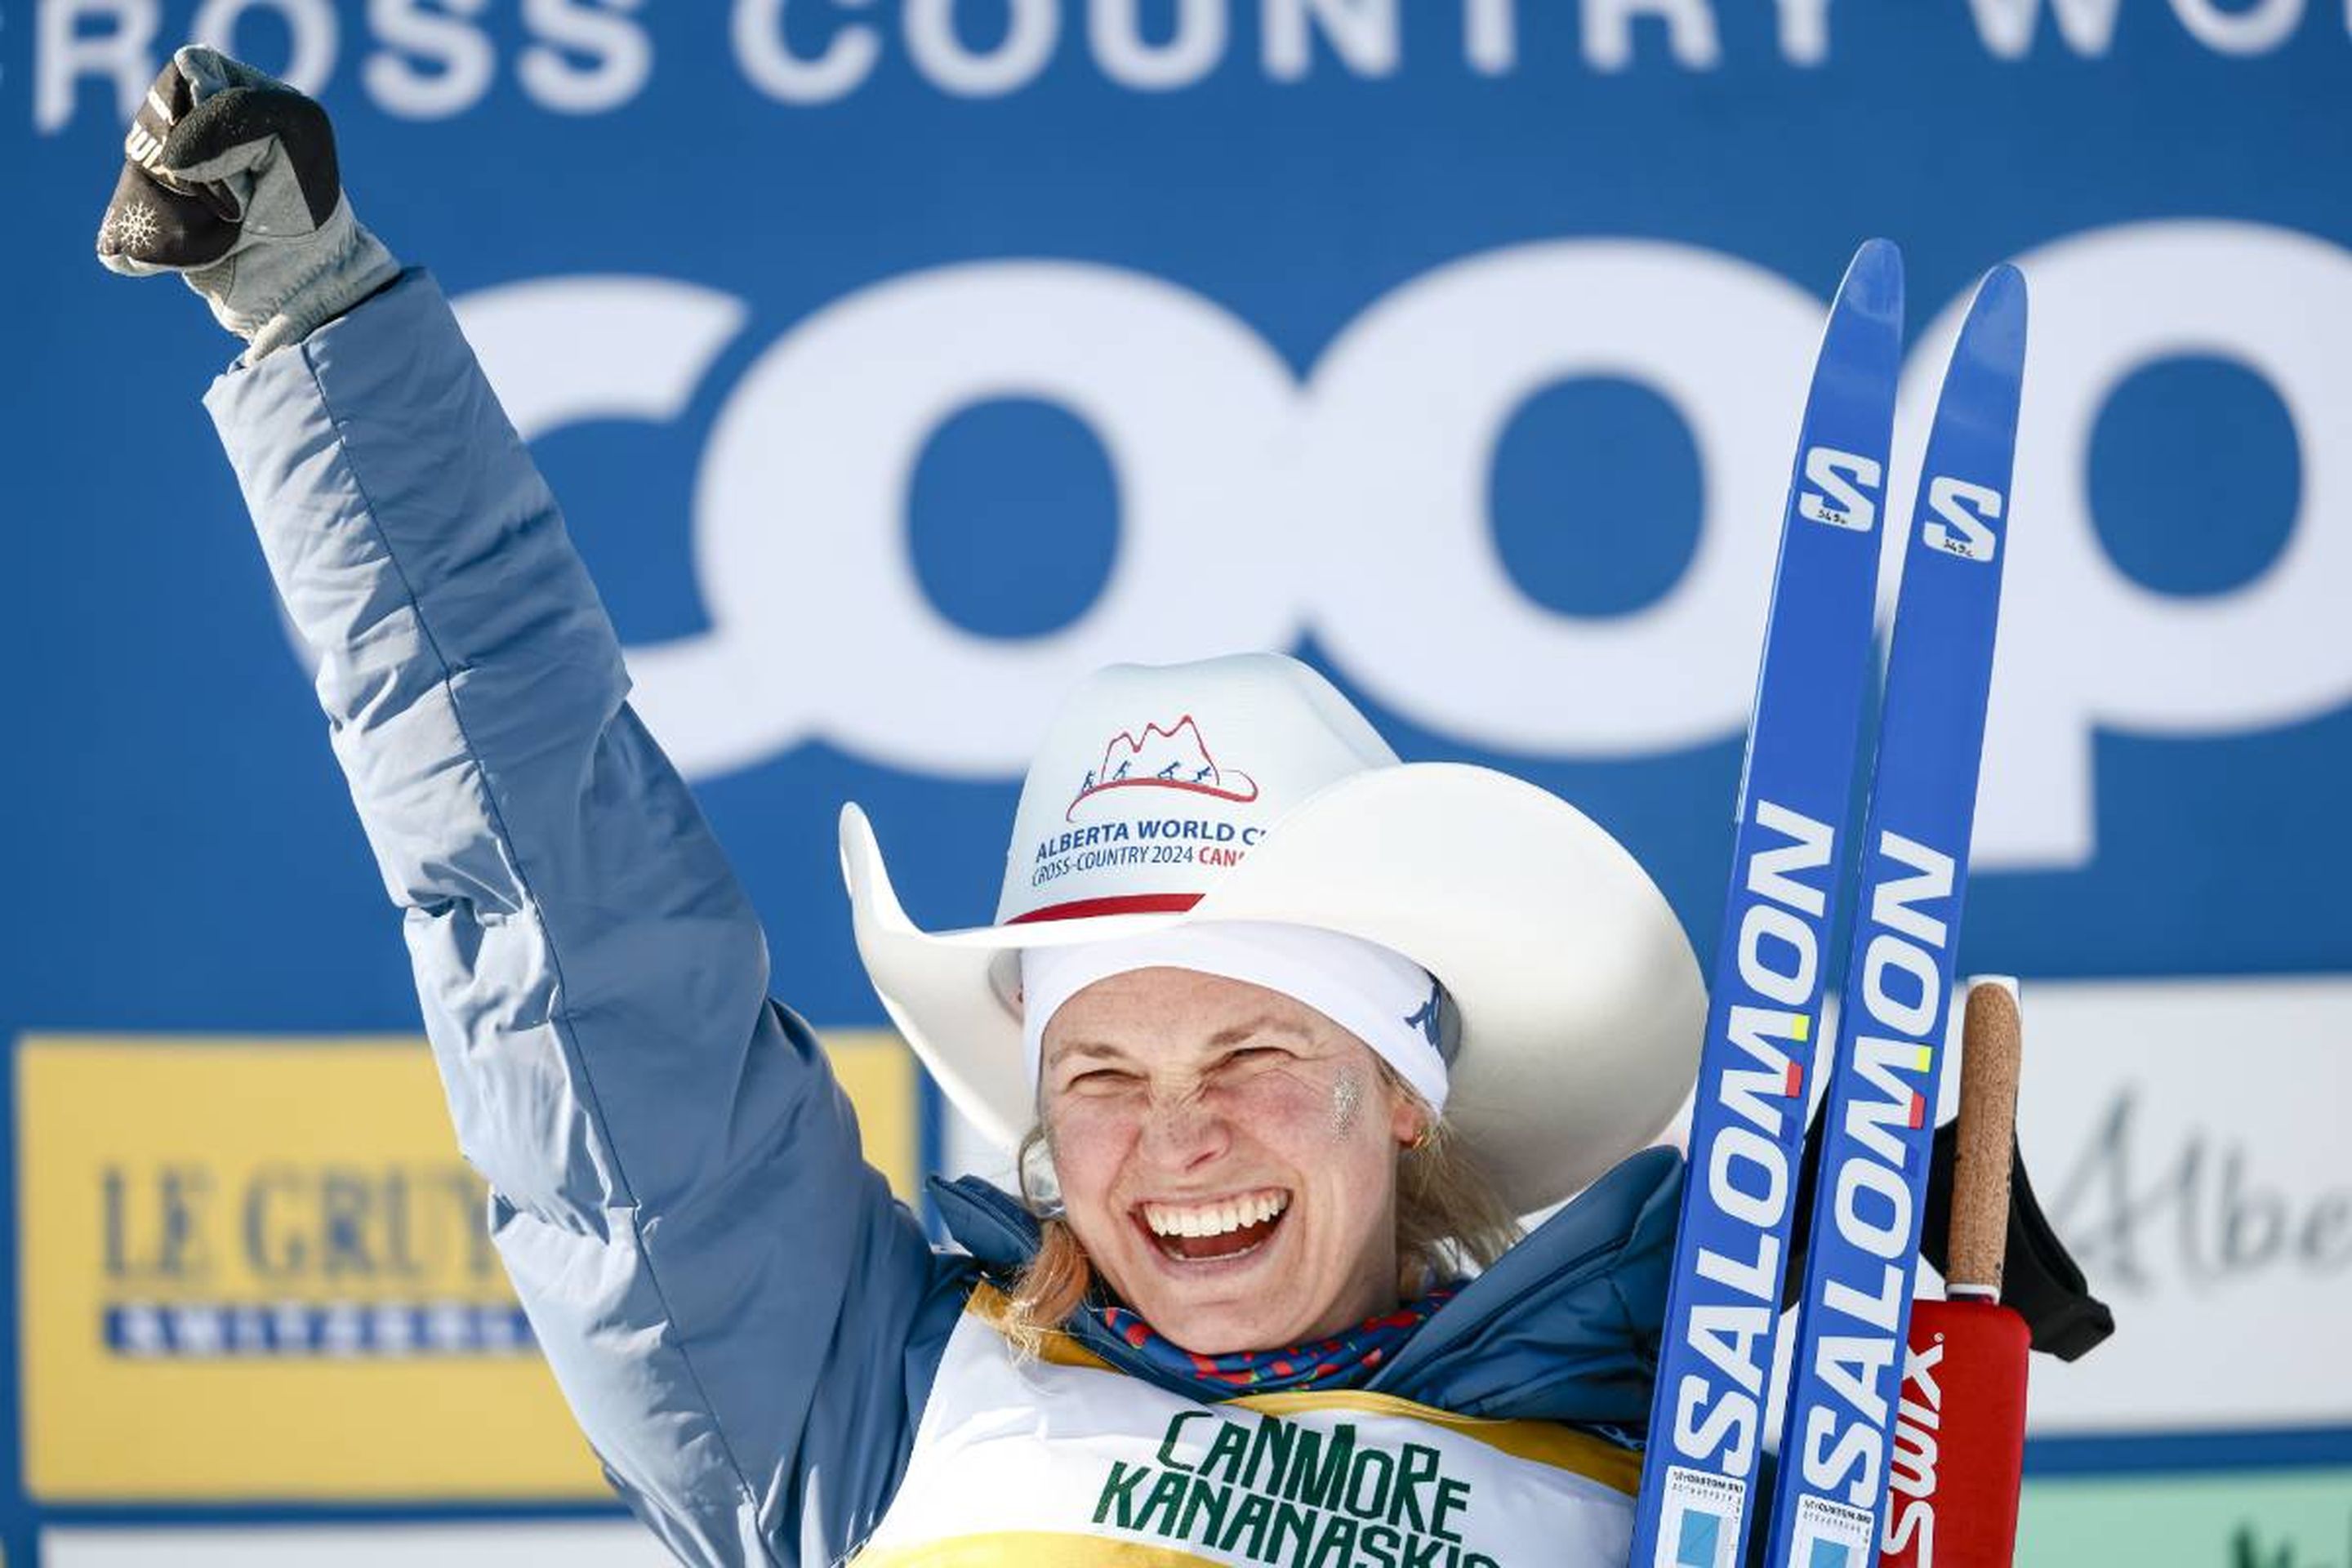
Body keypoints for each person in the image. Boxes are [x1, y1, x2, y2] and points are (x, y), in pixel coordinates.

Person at [99, 49, 1707, 1568]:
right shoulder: (855, 1396)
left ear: (1406, 1086)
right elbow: (558, 908)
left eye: (1255, 1054)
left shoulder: (1667, 1449)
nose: (1174, 1140)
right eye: (1099, 1072)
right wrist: (328, 335)